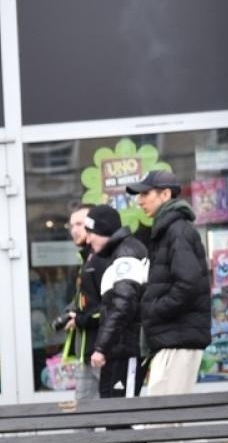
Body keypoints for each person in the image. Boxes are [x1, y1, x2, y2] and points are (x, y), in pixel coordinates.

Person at [124, 170, 211, 395]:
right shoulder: (169, 229)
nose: (140, 200)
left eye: (145, 193)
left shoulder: (177, 230)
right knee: (167, 419)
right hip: (172, 338)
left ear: (165, 194)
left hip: (177, 339)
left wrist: (154, 310)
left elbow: (188, 284)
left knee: (164, 419)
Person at [83, 207, 150, 398]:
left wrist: (101, 347)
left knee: (123, 414)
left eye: (91, 234)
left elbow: (123, 305)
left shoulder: (126, 254)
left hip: (127, 350)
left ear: (103, 231)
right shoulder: (121, 253)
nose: (87, 240)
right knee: (112, 412)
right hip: (120, 350)